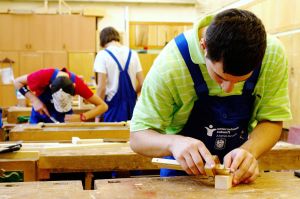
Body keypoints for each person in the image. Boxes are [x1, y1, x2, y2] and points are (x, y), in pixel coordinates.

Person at [130, 8, 291, 185]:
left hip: (238, 173)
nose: (228, 89)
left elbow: (272, 120)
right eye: (220, 77)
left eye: (240, 81)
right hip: (182, 173)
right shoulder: (170, 65)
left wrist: (250, 151)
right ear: (203, 46)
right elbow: (138, 137)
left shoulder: (273, 54)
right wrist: (173, 143)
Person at [14, 68, 108, 123]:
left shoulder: (78, 84)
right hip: (41, 114)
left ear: (74, 87)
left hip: (65, 117)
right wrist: (35, 100)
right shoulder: (42, 76)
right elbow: (17, 82)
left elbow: (103, 106)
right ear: (51, 86)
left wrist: (82, 117)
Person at [94, 26, 144, 122]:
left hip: (112, 108)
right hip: (132, 107)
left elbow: (102, 88)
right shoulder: (133, 54)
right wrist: (133, 94)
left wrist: (97, 114)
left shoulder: (102, 55)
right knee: (130, 135)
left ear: (102, 41)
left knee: (113, 135)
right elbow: (142, 83)